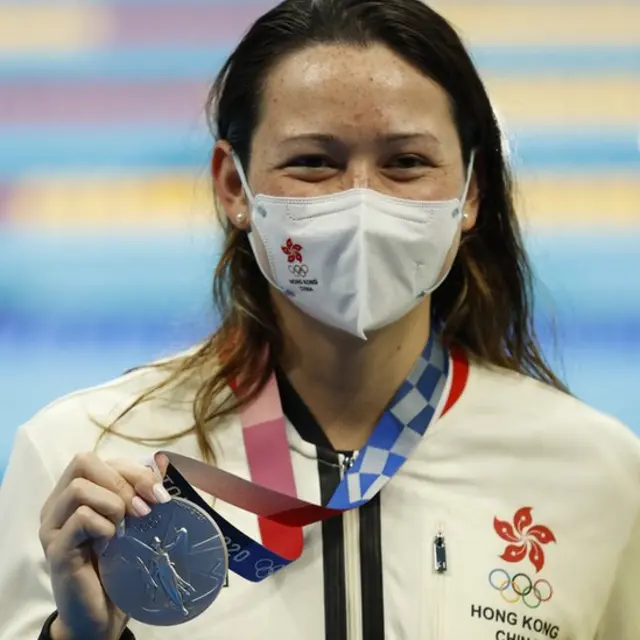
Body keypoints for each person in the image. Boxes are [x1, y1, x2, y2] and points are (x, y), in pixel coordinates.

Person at [0, 0, 638, 638]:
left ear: (470, 190)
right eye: (313, 162)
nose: (361, 201)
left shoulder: (596, 472)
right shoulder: (90, 460)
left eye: (406, 162)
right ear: (234, 187)